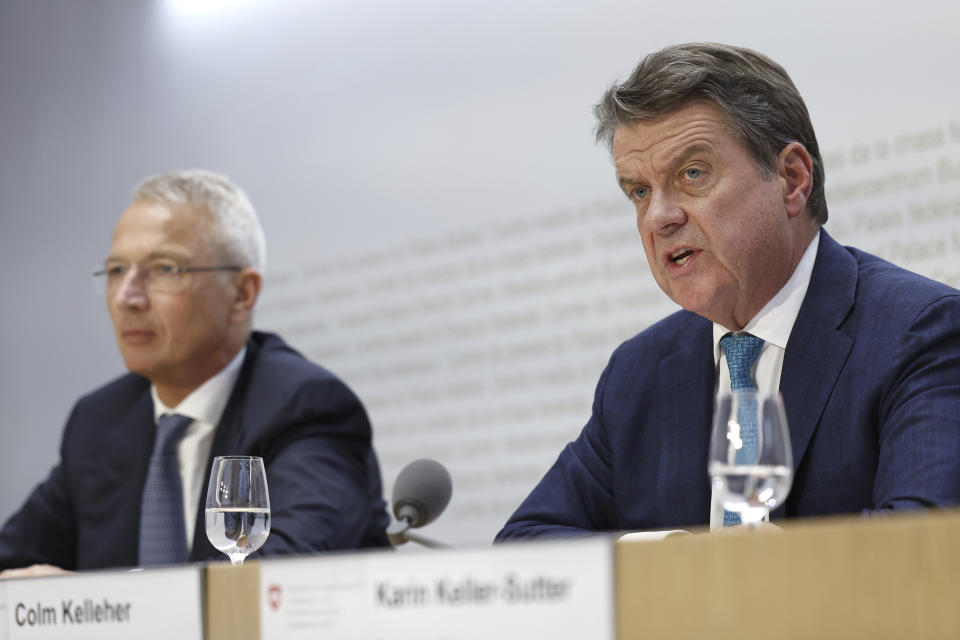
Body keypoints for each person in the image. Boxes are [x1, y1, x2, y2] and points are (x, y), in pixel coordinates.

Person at [496, 43, 960, 540]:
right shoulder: (639, 373)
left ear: (791, 179)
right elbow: (527, 543)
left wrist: (748, 575)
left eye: (691, 174)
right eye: (640, 191)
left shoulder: (919, 333)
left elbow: (920, 546)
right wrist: (681, 564)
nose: (659, 218)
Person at [0, 170, 390, 574]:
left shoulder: (306, 408)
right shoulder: (100, 422)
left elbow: (271, 580)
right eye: (117, 271)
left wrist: (89, 604)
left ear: (242, 294)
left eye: (164, 269)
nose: (127, 297)